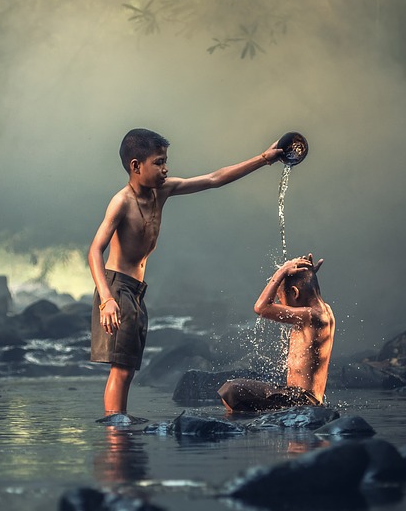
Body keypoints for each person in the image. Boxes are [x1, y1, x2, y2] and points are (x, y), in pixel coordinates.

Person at [89, 128, 283, 417]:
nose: (166, 168)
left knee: (128, 368)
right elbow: (94, 251)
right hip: (117, 289)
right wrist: (107, 300)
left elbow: (214, 179)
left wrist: (264, 159)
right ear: (135, 166)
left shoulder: (163, 190)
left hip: (135, 291)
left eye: (166, 161)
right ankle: (116, 433)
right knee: (121, 369)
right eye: (158, 162)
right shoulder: (121, 202)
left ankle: (120, 425)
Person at [218, 253, 335, 414]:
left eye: (281, 299)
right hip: (300, 396)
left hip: (302, 400)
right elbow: (308, 288)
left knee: (230, 390)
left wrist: (281, 272)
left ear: (295, 293)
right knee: (233, 393)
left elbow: (261, 308)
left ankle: (239, 428)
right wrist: (308, 276)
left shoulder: (312, 316)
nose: (280, 305)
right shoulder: (326, 311)